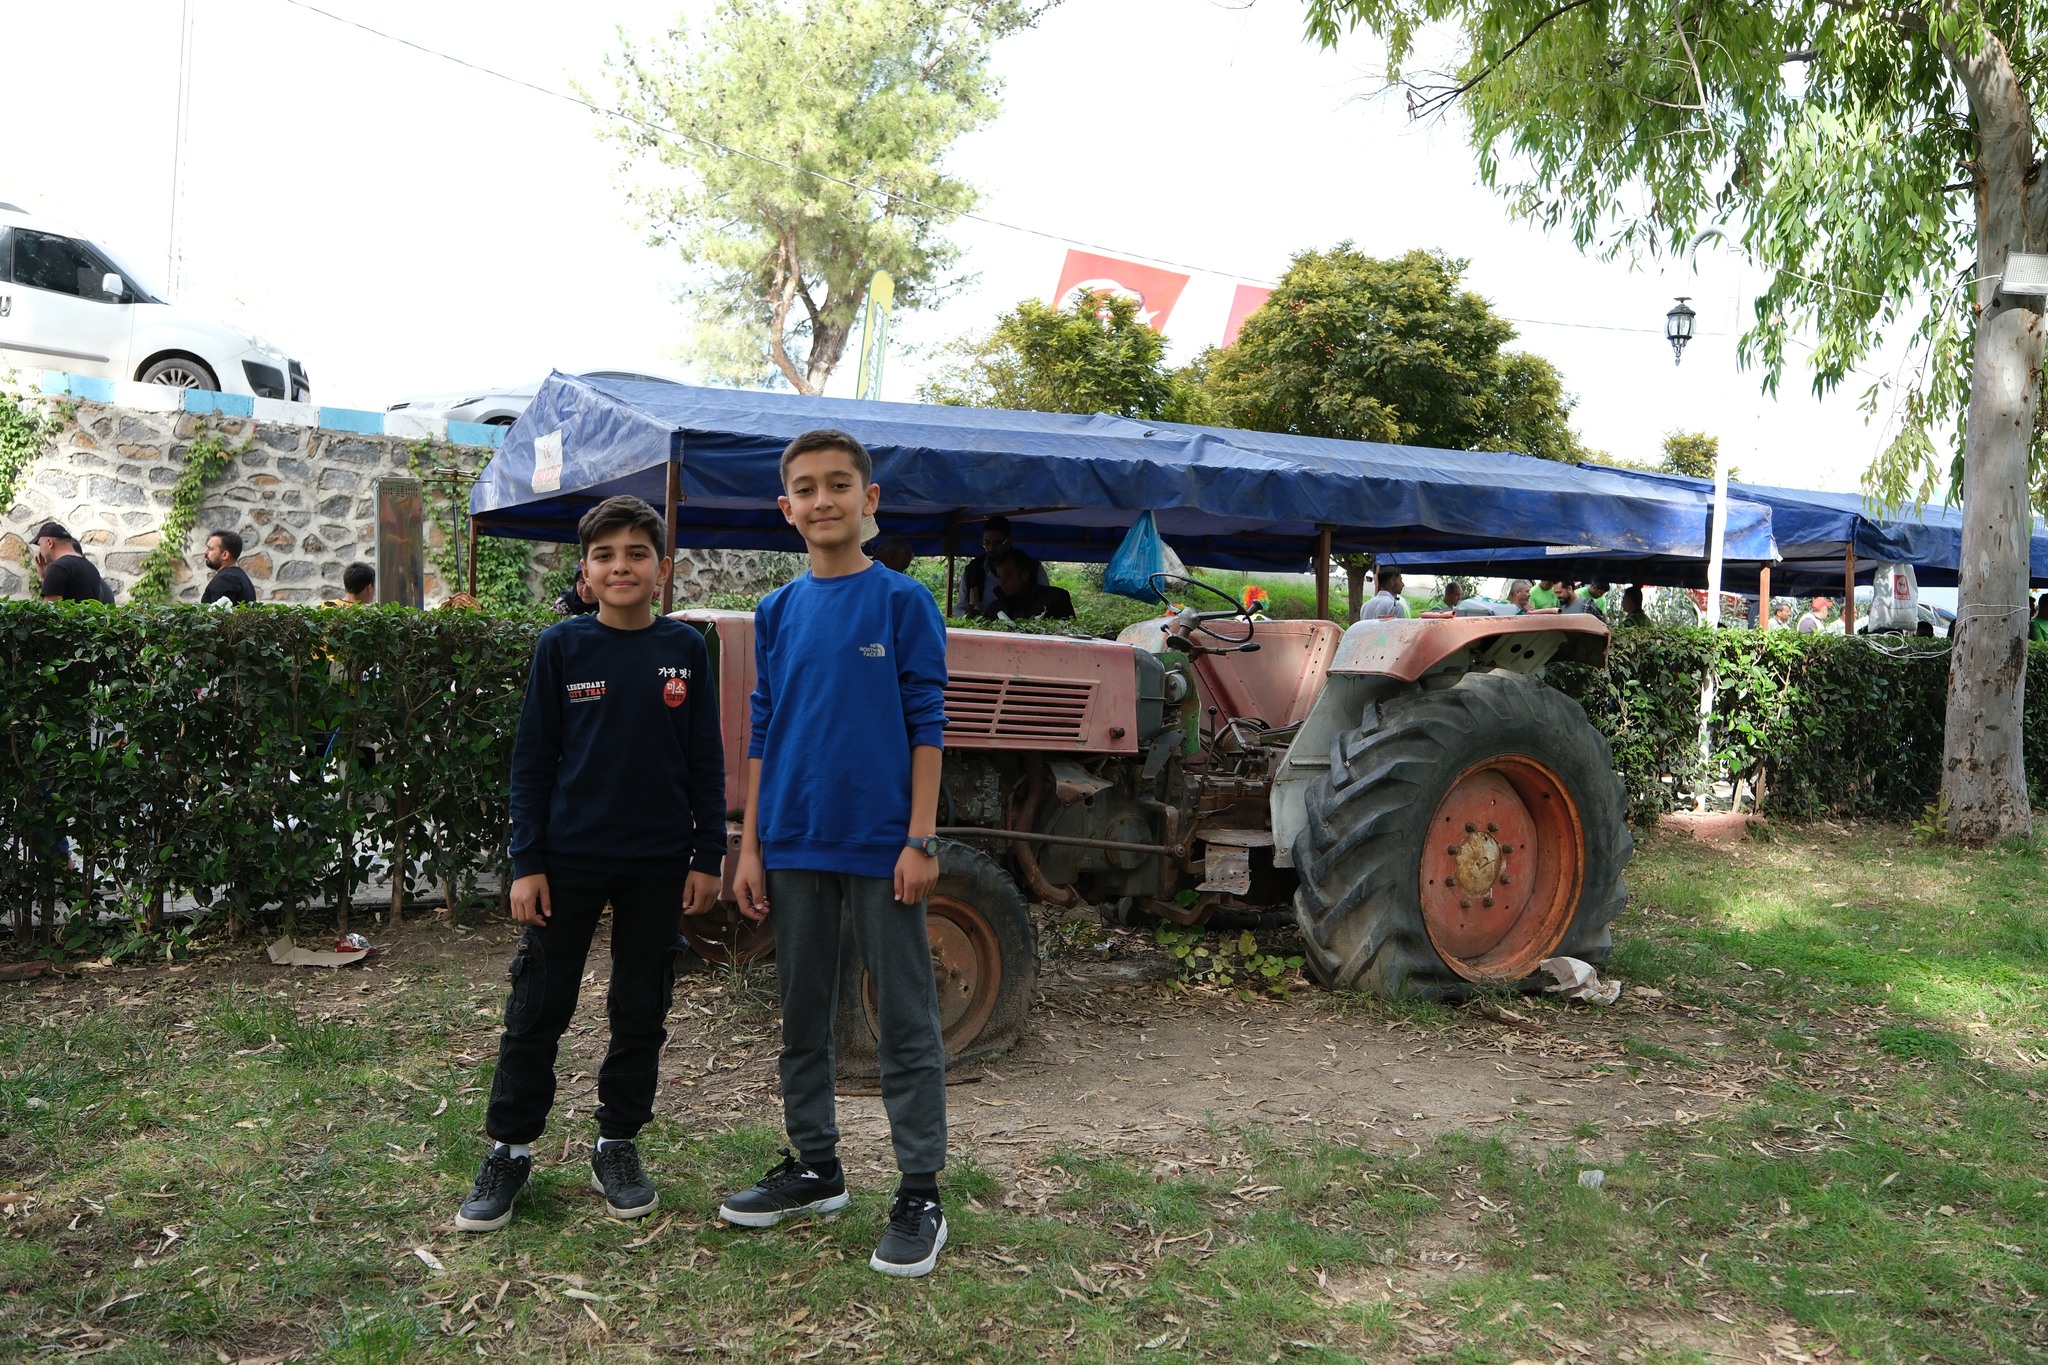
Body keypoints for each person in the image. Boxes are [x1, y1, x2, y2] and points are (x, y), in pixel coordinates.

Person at [455, 494, 726, 1234]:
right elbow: (533, 761)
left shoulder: (688, 649)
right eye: (605, 555)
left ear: (662, 569)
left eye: (637, 554)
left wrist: (709, 854)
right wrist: (526, 861)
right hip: (566, 861)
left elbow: (707, 760)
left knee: (641, 1011)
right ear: (584, 571)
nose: (621, 566)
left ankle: (619, 1142)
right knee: (538, 1006)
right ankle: (509, 1149)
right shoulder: (562, 647)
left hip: (659, 865)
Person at [718, 428, 952, 1279]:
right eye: (806, 489)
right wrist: (748, 845)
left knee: (905, 1017)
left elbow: (928, 723)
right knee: (802, 1014)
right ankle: (816, 1167)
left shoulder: (901, 603)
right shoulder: (776, 612)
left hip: (885, 845)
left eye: (839, 486)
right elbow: (765, 724)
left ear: (869, 500)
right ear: (787, 510)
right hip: (792, 841)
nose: (823, 501)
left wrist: (920, 838)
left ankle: (920, 1189)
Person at [956, 515, 1045, 614]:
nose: (991, 548)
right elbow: (959, 609)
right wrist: (969, 615)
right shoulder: (972, 570)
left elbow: (1046, 603)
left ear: (1009, 540)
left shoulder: (1033, 568)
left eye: (997, 543)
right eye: (987, 543)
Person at [978, 548, 1074, 621]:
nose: (1002, 582)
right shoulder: (994, 609)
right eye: (999, 576)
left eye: (1008, 576)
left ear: (1024, 575)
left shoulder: (1055, 600)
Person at [29, 520, 109, 603]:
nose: (40, 550)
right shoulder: (90, 567)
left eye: (40, 545)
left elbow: (50, 611)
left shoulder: (58, 567)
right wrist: (45, 576)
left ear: (50, 543)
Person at [200, 529, 256, 605]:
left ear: (225, 555)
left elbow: (218, 615)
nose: (205, 552)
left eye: (210, 549)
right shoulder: (240, 576)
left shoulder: (226, 579)